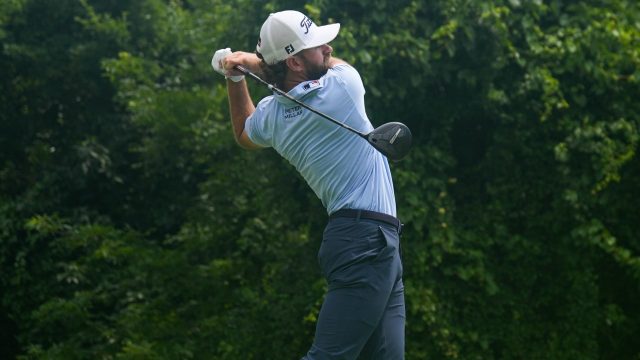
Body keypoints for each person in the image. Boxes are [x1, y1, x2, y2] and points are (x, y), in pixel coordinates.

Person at [211, 10, 405, 360]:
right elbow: (334, 66)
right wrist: (251, 64)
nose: (328, 49)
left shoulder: (272, 116)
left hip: (366, 242)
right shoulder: (343, 88)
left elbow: (243, 132)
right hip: (366, 243)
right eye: (317, 46)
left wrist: (236, 78)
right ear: (297, 63)